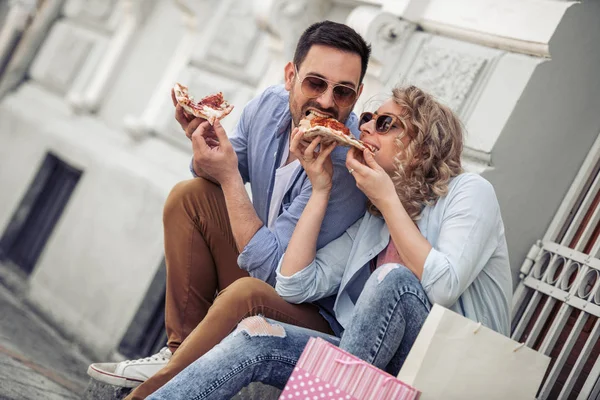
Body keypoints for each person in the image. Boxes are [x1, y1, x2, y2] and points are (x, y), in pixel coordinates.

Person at [145, 85, 514, 399]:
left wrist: (387, 199)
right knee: (255, 336)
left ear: (422, 145)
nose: (366, 127)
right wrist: (320, 187)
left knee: (394, 280)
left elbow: (444, 285)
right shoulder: (374, 219)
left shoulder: (469, 192)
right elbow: (293, 282)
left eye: (384, 124)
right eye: (367, 118)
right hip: (361, 367)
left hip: (445, 376)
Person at [86, 21, 371, 398]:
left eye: (343, 92)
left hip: (312, 311)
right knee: (190, 197)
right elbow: (213, 170)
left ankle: (154, 389)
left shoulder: (345, 165)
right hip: (262, 267)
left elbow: (276, 277)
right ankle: (178, 351)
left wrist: (231, 178)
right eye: (315, 83)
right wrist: (200, 138)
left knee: (248, 293)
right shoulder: (268, 106)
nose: (326, 102)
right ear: (290, 76)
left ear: (358, 94)